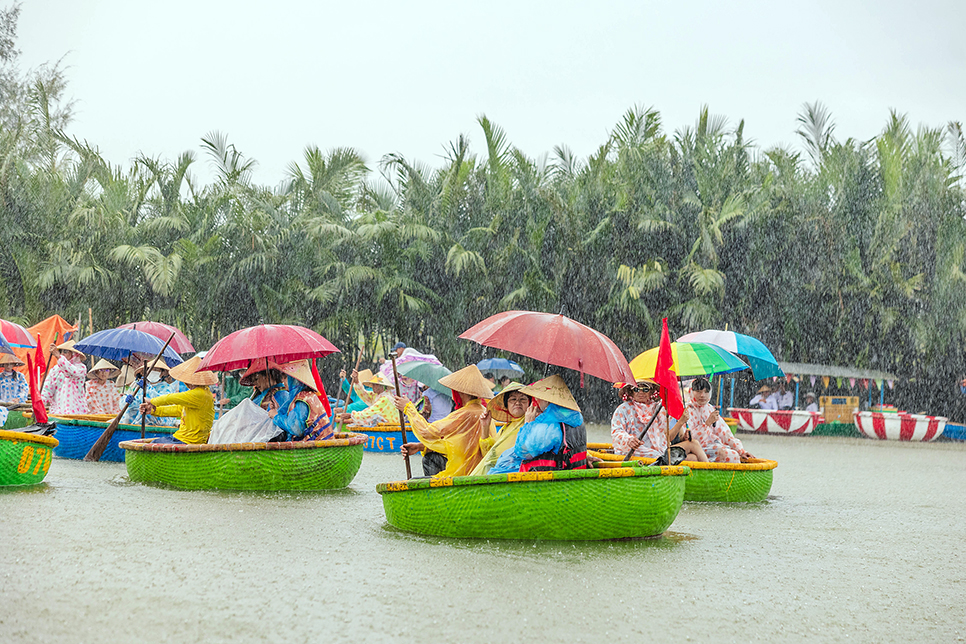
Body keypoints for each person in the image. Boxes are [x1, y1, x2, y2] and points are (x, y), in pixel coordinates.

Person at [396, 365, 493, 477]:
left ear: (461, 392)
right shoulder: (482, 410)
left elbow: (426, 432)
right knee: (430, 457)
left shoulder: (465, 414)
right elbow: (455, 445)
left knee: (421, 472)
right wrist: (421, 447)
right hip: (476, 469)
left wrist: (408, 409)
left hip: (464, 471)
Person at [489, 374, 589, 473]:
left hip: (547, 481)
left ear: (546, 399)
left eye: (537, 397)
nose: (535, 401)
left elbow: (523, 451)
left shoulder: (549, 424)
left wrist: (528, 423)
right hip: (571, 475)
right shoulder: (576, 418)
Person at [610, 379, 706, 462]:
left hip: (659, 449)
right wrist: (629, 440)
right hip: (636, 450)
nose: (641, 392)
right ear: (631, 392)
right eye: (636, 389)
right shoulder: (623, 409)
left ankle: (708, 474)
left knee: (693, 456)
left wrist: (682, 426)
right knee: (661, 456)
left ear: (651, 392)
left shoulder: (658, 408)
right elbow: (616, 432)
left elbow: (666, 436)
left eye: (645, 389)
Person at [139, 355, 217, 444]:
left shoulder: (201, 394)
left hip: (189, 441)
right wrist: (154, 411)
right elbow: (178, 409)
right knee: (155, 442)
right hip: (181, 437)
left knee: (153, 444)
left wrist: (152, 401)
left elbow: (173, 398)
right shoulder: (199, 393)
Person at [686, 377, 754, 463]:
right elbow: (691, 440)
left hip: (713, 446)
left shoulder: (710, 409)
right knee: (729, 455)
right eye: (699, 391)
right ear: (691, 391)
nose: (702, 395)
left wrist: (741, 451)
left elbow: (725, 433)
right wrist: (707, 424)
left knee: (734, 453)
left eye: (706, 392)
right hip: (697, 449)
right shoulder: (687, 410)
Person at [470, 382, 530, 476]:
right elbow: (490, 455)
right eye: (513, 399)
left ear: (529, 404)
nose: (517, 403)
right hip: (492, 475)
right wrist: (485, 426)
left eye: (522, 399)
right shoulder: (505, 428)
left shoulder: (531, 422)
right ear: (506, 405)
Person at [267, 359, 334, 441]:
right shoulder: (305, 394)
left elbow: (296, 429)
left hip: (318, 448)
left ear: (294, 378)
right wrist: (277, 410)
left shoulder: (302, 399)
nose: (283, 380)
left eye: (285, 376)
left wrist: (276, 416)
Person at [121, 360, 178, 427]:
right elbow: (132, 405)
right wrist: (129, 402)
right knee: (129, 412)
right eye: (150, 369)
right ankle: (126, 430)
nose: (153, 371)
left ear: (162, 373)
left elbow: (159, 401)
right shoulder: (139, 386)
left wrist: (147, 389)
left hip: (162, 420)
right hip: (140, 421)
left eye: (157, 370)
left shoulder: (167, 387)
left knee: (147, 413)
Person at [40, 341, 89, 415]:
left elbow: (71, 372)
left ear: (73, 354)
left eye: (65, 351)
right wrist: (39, 406)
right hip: (57, 411)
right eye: (60, 351)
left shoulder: (81, 368)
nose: (62, 354)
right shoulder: (54, 370)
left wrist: (59, 357)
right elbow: (47, 390)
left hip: (77, 411)